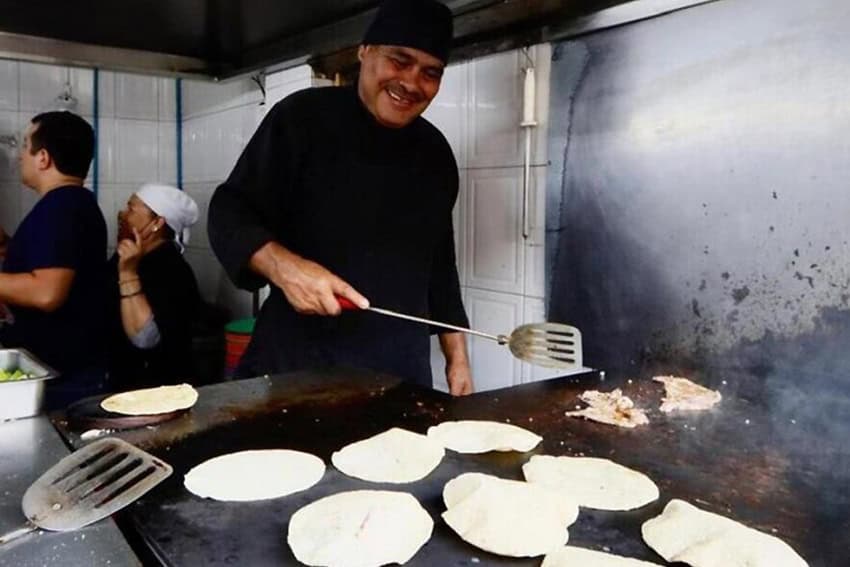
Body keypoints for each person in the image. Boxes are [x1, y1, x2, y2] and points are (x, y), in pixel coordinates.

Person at [208, 0, 473, 394]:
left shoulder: (435, 153)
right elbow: (229, 211)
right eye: (399, 61)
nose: (412, 83)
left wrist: (458, 360)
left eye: (430, 73)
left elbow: (438, 266)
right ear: (365, 52)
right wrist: (287, 269)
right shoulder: (302, 119)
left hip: (398, 379)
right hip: (295, 372)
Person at [0, 111, 108, 408]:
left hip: (65, 381)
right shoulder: (72, 204)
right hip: (66, 371)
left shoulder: (62, 207)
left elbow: (47, 292)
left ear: (43, 158)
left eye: (25, 146)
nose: (21, 156)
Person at [107, 184, 201, 390]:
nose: (122, 215)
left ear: (157, 223)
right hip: (119, 380)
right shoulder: (127, 256)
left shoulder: (172, 270)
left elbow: (145, 339)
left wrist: (128, 275)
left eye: (131, 209)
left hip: (155, 391)